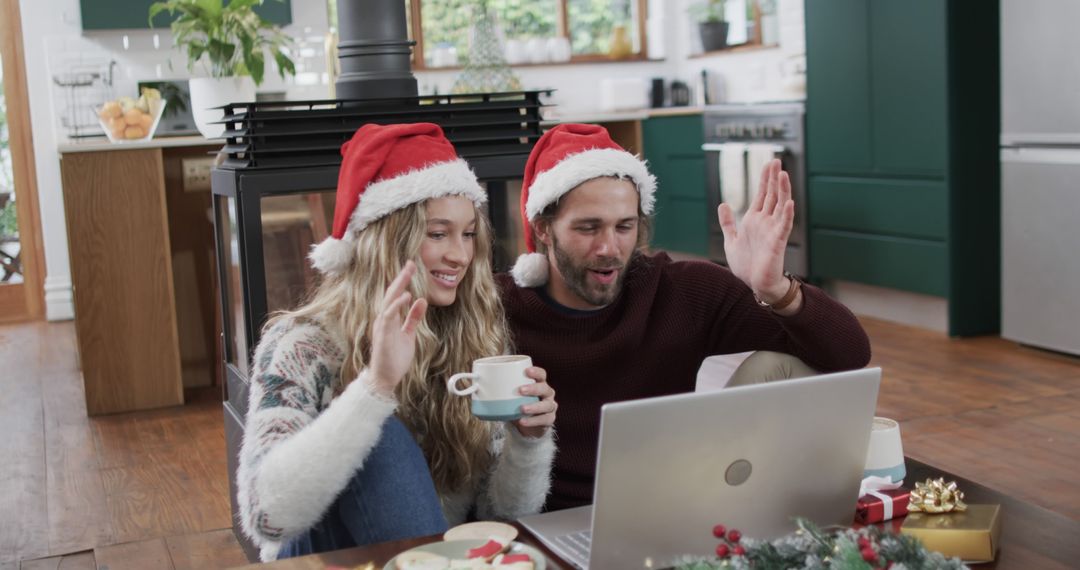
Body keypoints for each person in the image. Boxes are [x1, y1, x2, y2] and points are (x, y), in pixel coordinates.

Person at [498, 123, 872, 511]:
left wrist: (776, 288)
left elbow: (849, 355)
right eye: (588, 228)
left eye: (624, 226)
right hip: (547, 515)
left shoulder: (680, 291)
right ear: (543, 229)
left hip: (675, 503)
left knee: (781, 364)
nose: (609, 247)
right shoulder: (498, 304)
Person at [237, 123, 558, 561]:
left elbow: (497, 517)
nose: (461, 256)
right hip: (327, 555)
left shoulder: (472, 337)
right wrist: (375, 388)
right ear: (389, 242)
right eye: (437, 233)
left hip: (437, 553)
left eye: (467, 234)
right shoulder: (301, 345)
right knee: (378, 430)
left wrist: (528, 442)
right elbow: (266, 518)